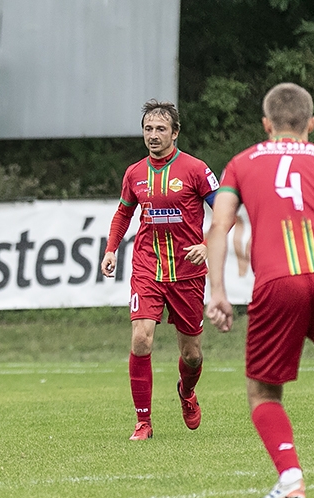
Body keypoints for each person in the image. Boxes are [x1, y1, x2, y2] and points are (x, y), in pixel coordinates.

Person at [206, 82, 314, 498]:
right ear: (311, 123)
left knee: (263, 391)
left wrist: (217, 292)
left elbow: (218, 227)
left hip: (278, 283)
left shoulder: (240, 163)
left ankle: (291, 478)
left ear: (266, 124)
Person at [101, 100, 219, 440]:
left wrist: (207, 244)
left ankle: (186, 391)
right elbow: (123, 214)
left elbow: (225, 211)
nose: (153, 135)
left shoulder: (196, 169)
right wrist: (111, 249)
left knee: (192, 355)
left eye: (160, 129)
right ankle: (143, 422)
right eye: (148, 129)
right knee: (140, 340)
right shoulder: (135, 173)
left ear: (175, 133)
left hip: (187, 272)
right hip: (147, 268)